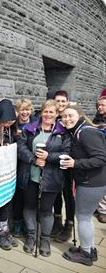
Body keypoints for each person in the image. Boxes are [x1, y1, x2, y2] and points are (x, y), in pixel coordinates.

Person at [17, 99, 70, 257]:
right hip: (31, 175)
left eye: (51, 112)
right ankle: (31, 236)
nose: (47, 114)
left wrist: (49, 156)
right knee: (30, 206)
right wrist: (34, 159)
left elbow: (67, 153)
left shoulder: (63, 132)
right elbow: (21, 147)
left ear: (56, 114)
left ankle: (45, 239)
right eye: (45, 111)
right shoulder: (30, 129)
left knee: (47, 210)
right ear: (41, 112)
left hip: (52, 177)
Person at [61, 104, 106, 266]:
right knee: (85, 217)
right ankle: (90, 248)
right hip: (92, 181)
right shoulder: (80, 130)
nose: (67, 119)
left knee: (84, 218)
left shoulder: (86, 132)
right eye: (64, 116)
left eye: (70, 115)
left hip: (92, 183)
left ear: (80, 115)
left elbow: (101, 158)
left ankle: (86, 254)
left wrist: (75, 163)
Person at [0, 99, 18, 250]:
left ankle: (5, 228)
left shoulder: (6, 129)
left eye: (10, 123)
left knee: (5, 200)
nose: (8, 125)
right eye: (6, 122)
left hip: (4, 172)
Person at [50, 90, 75, 242]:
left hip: (69, 161)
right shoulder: (52, 117)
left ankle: (69, 224)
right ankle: (57, 220)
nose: (60, 104)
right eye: (57, 101)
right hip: (54, 161)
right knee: (56, 193)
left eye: (63, 102)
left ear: (67, 102)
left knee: (68, 194)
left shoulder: (70, 117)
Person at [11, 98, 37, 238]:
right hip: (15, 164)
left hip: (30, 164)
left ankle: (29, 225)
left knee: (30, 196)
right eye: (22, 109)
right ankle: (17, 223)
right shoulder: (13, 124)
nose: (25, 112)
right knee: (18, 196)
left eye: (27, 109)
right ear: (18, 111)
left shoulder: (36, 123)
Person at [93, 92, 106, 223]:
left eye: (103, 105)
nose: (100, 108)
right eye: (99, 105)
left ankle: (103, 211)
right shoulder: (97, 119)